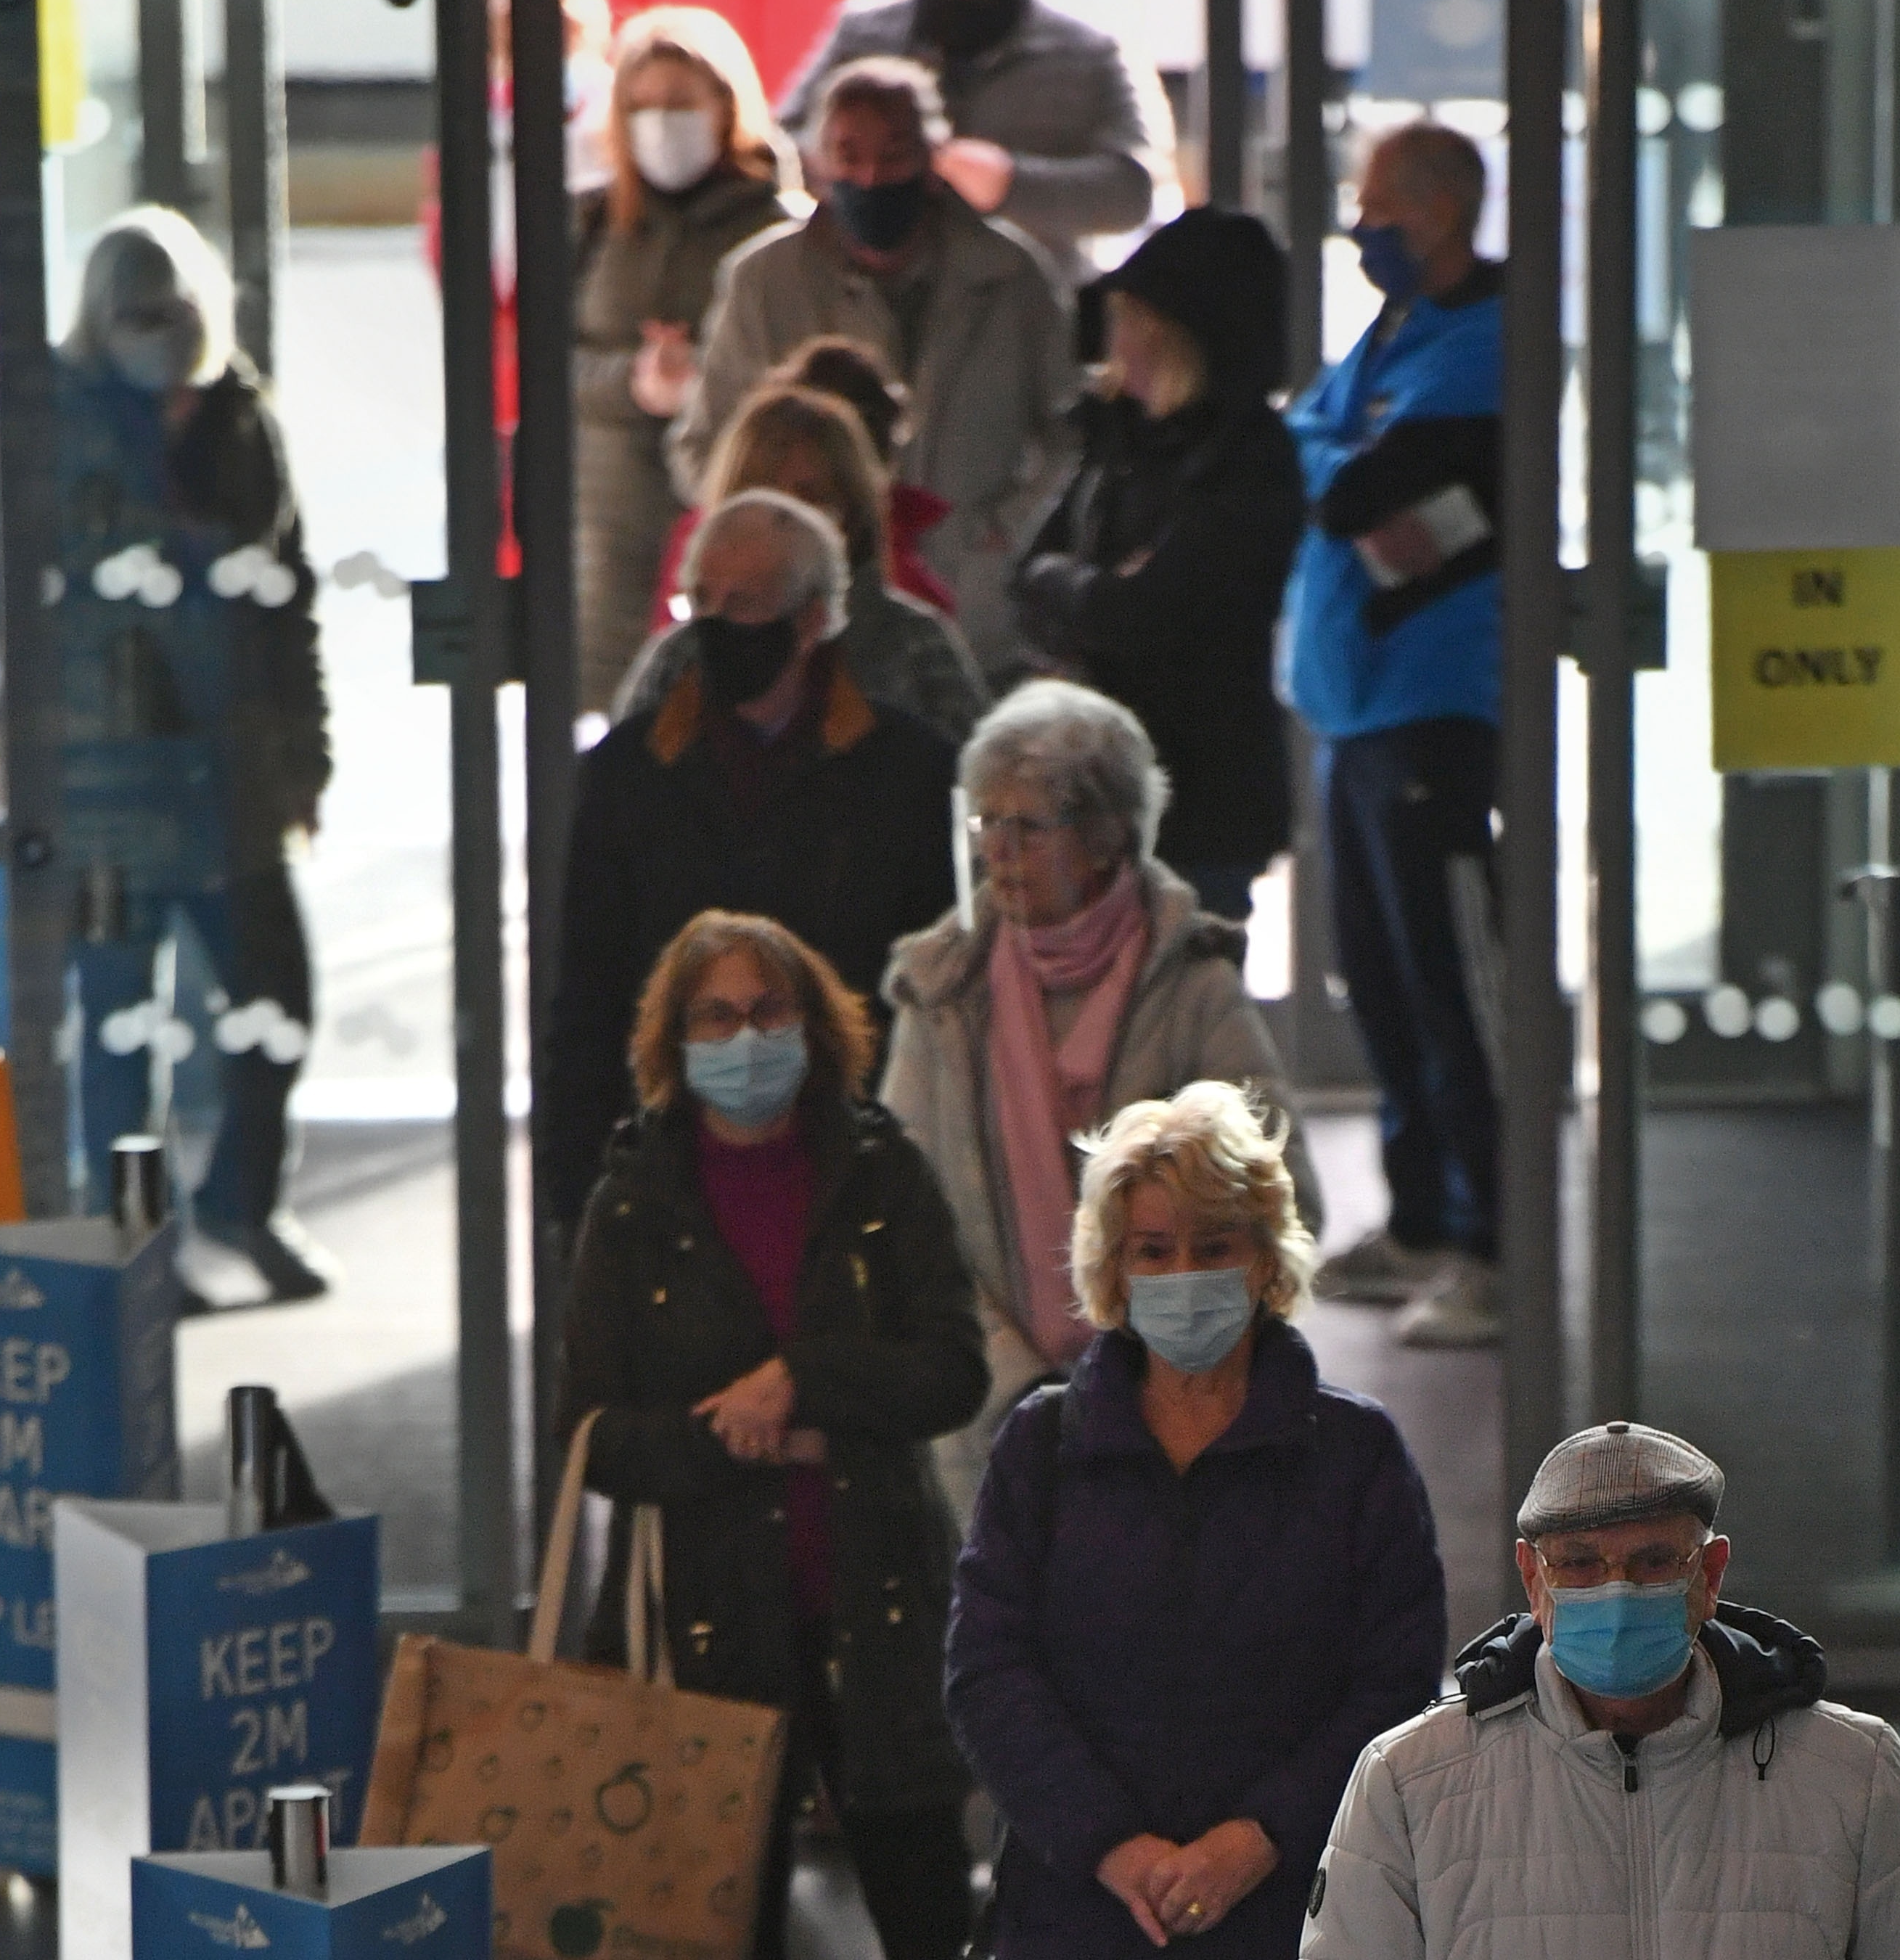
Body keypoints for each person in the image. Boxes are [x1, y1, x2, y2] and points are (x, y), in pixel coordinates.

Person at [555, 909, 988, 1960]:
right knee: (716, 1928)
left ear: (811, 1024)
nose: (745, 1037)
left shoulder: (884, 1174)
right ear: (676, 1041)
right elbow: (594, 1439)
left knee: (929, 1913)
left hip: (878, 1605)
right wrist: (735, 1438)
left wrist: (803, 1381)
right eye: (716, 1016)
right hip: (706, 1623)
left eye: (767, 1010)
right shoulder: (630, 1208)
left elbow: (953, 1372)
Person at [943, 1081, 1446, 1960]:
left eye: (1213, 1246)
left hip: (1298, 1903)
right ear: (1114, 1268)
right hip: (1074, 1908)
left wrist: (1258, 1839)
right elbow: (988, 1669)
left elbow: (1396, 1681)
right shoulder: (1041, 1447)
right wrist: (1113, 1848)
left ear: (1264, 1260)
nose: (1183, 1274)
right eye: (1153, 1250)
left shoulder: (1353, 1452)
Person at [1303, 1422, 1900, 1959]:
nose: (1615, 1591)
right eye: (1579, 1564)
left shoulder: (1846, 1772)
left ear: (1709, 1575)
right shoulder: (1413, 1781)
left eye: (1652, 1562)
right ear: (1532, 1577)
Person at [880, 682, 1322, 1504]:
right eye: (986, 823)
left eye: (1028, 826)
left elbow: (1283, 1197)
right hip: (988, 1417)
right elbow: (903, 1219)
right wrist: (1018, 1381)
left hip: (1175, 1414)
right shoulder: (941, 989)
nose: (998, 851)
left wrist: (1135, 1374)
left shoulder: (1192, 981)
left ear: (1105, 835)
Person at [38, 206, 332, 1303]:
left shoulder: (239, 416)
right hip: (104, 776)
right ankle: (138, 1242)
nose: (158, 342)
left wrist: (307, 757)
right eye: (137, 319)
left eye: (173, 318)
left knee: (279, 999)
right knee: (121, 1026)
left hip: (232, 770)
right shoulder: (47, 422)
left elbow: (288, 595)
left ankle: (242, 1205)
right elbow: (19, 597)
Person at [539, 490, 957, 1242]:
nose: (716, 623)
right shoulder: (628, 774)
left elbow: (929, 1002)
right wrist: (576, 1196)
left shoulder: (908, 778)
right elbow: (588, 1001)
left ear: (811, 619)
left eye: (746, 603)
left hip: (850, 1175)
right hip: (670, 1178)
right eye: (702, 600)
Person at [1281, 122, 1510, 1350]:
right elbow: (1313, 452)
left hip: (1433, 702)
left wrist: (1323, 452)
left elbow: (1356, 489)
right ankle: (1420, 1216)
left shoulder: (1485, 340)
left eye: (1383, 210)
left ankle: (1494, 1244)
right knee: (1376, 980)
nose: (1364, 230)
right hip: (1354, 703)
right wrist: (1326, 448)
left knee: (1444, 980)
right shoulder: (1395, 335)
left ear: (1445, 211)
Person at [671, 55, 1073, 682]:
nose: (871, 176)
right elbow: (702, 448)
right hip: (796, 630)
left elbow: (1070, 434)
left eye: (894, 154)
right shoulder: (762, 283)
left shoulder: (1011, 276)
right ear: (819, 164)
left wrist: (1001, 535)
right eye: (848, 155)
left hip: (977, 615)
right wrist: (769, 542)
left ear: (932, 159)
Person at [1013, 206, 1303, 920]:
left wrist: (1081, 593)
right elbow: (1028, 578)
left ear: (1173, 337)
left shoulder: (1247, 462)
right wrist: (1089, 590)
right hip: (1096, 791)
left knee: (1181, 983)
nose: (1113, 344)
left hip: (1199, 800)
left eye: (1130, 322)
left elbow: (1147, 615)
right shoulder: (1119, 441)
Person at [573, 5, 791, 713]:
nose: (660, 123)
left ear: (725, 105)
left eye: (678, 103)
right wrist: (634, 383)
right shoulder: (593, 222)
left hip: (735, 496)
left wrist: (708, 380)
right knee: (613, 705)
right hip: (609, 519)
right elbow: (549, 367)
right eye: (641, 107)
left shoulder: (780, 227)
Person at [777, 0, 1169, 287]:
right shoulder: (860, 33)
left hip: (1032, 303)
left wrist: (1013, 184)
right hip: (872, 293)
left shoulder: (1089, 53)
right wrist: (859, 167)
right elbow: (781, 146)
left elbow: (1134, 191)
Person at [617, 383, 987, 744]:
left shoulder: (916, 646)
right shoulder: (683, 659)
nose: (785, 522)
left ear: (851, 511)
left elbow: (973, 772)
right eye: (762, 497)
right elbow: (625, 771)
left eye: (808, 499)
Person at [647, 335, 960, 629]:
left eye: (807, 501)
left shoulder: (908, 626)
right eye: (760, 495)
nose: (779, 526)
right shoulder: (697, 556)